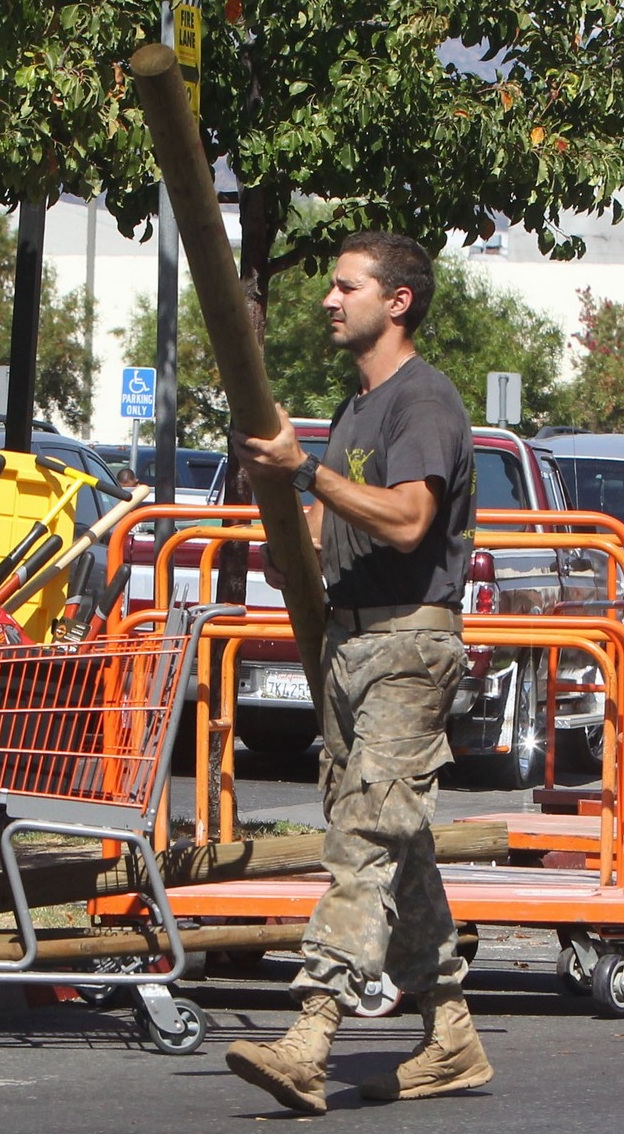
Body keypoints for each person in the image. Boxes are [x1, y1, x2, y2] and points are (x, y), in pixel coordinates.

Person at [224, 231, 491, 1114]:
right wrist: (295, 538)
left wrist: (306, 472)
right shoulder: (356, 410)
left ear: (397, 301)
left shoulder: (425, 403)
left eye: (346, 287)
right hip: (350, 645)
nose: (329, 301)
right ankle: (448, 1032)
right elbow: (344, 521)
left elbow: (410, 521)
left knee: (366, 836)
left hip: (408, 651)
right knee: (398, 840)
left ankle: (315, 1029)